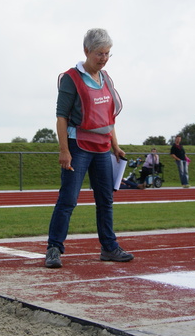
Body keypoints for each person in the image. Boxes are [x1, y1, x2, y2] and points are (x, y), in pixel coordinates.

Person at [45, 28, 134, 268]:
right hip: (79, 147)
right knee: (68, 200)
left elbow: (109, 119)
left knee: (105, 200)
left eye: (107, 54)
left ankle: (109, 247)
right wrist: (64, 151)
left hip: (103, 149)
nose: (104, 58)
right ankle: (54, 248)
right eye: (99, 54)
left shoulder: (106, 79)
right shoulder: (71, 78)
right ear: (86, 51)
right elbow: (61, 117)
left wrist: (116, 146)